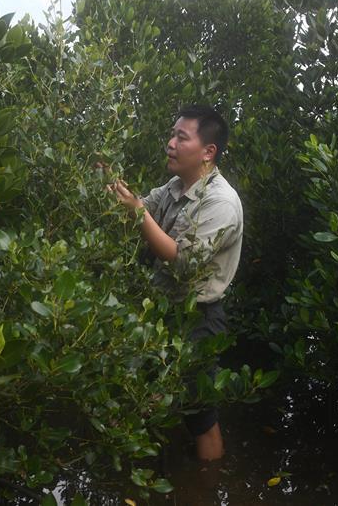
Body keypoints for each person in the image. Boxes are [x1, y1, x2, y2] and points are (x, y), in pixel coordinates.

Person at [107, 104, 243, 462]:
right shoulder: (178, 185)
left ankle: (208, 487)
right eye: (172, 134)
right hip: (163, 309)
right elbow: (145, 205)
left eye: (181, 137)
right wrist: (112, 184)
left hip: (198, 318)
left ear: (208, 151)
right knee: (148, 390)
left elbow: (182, 260)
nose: (170, 143)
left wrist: (136, 212)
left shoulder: (221, 203)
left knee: (200, 414)